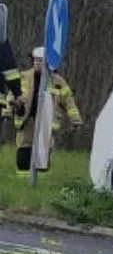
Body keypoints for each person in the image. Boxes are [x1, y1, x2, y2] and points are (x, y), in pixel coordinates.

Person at [12, 46, 82, 176]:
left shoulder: (57, 81)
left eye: (40, 60)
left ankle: (40, 185)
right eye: (36, 60)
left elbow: (68, 102)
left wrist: (75, 120)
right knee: (24, 153)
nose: (37, 63)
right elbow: (12, 95)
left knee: (43, 156)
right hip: (27, 122)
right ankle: (23, 184)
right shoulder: (24, 77)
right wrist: (9, 110)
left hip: (46, 124)